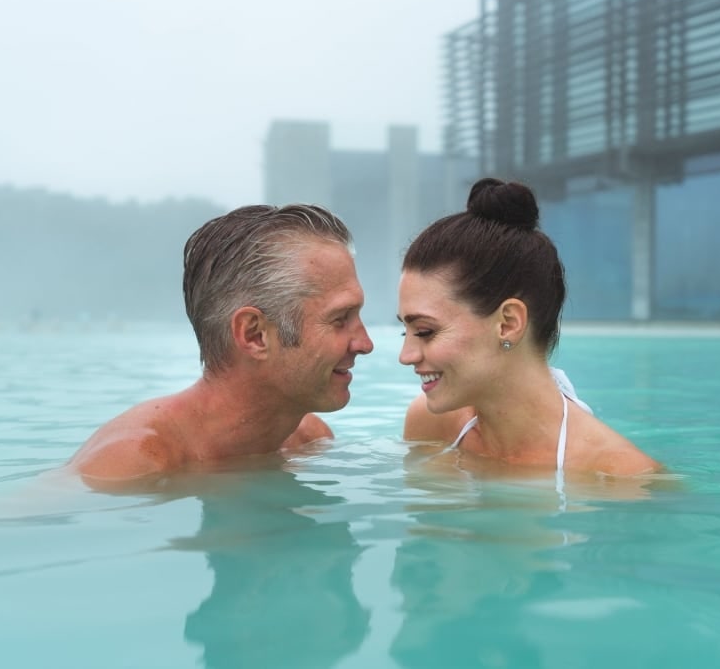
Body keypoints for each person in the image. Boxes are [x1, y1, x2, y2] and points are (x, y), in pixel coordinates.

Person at [68, 203, 374, 485]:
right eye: (340, 319)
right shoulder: (134, 463)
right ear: (255, 335)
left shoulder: (309, 440)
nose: (365, 343)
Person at [397, 177, 662, 479]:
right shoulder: (431, 425)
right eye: (405, 331)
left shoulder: (620, 476)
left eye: (425, 331)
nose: (406, 355)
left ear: (508, 324)